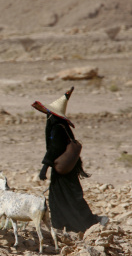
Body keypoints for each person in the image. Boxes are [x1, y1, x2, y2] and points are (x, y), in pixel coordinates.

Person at [32, 87, 108, 233]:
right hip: (67, 169)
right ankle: (66, 225)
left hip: (62, 171)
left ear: (53, 115)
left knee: (63, 198)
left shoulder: (57, 128)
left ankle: (87, 223)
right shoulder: (62, 126)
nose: (47, 116)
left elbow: (54, 149)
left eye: (49, 114)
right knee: (68, 196)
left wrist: (44, 168)